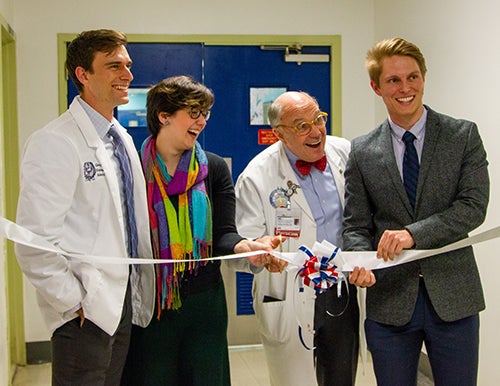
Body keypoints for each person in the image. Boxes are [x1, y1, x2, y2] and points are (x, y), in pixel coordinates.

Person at [342, 37, 490, 386]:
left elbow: (473, 207)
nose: (405, 88)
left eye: (413, 77)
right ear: (376, 87)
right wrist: (359, 261)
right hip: (389, 300)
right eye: (393, 80)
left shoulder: (462, 135)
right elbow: (356, 225)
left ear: (423, 77)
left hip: (454, 295)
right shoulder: (362, 151)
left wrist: (413, 234)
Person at [14, 30, 155, 385]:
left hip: (121, 301)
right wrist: (73, 302)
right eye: (113, 66)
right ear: (83, 74)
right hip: (84, 312)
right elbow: (33, 241)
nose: (127, 74)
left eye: (127, 64)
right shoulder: (55, 141)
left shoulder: (119, 136)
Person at [121, 75, 279, 386]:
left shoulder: (215, 168)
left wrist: (244, 246)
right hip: (152, 302)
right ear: (163, 115)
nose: (202, 121)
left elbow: (223, 234)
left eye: (205, 113)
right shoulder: (132, 170)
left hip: (205, 301)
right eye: (194, 112)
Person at [233, 91, 370, 386]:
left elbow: (364, 216)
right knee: (292, 380)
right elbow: (245, 243)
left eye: (318, 119)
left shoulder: (344, 152)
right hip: (288, 291)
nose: (316, 131)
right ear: (279, 134)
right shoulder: (256, 176)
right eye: (301, 126)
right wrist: (260, 251)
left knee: (341, 376)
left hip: (340, 287)